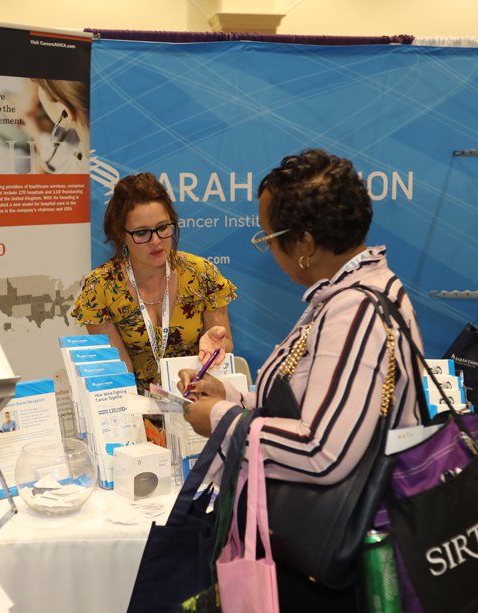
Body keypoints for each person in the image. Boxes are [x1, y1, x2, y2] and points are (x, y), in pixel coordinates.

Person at [178, 149, 425, 610]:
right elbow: (310, 400)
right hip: (320, 544)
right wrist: (230, 394)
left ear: (305, 243)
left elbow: (322, 450)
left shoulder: (357, 310)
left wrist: (221, 419)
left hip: (341, 558)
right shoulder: (342, 294)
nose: (268, 249)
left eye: (268, 237)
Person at [71, 172, 237, 393]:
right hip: (135, 403)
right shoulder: (100, 287)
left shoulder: (202, 274)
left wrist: (215, 346)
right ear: (121, 234)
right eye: (142, 233)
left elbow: (225, 344)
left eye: (163, 227)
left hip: (195, 398)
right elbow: (119, 371)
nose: (156, 241)